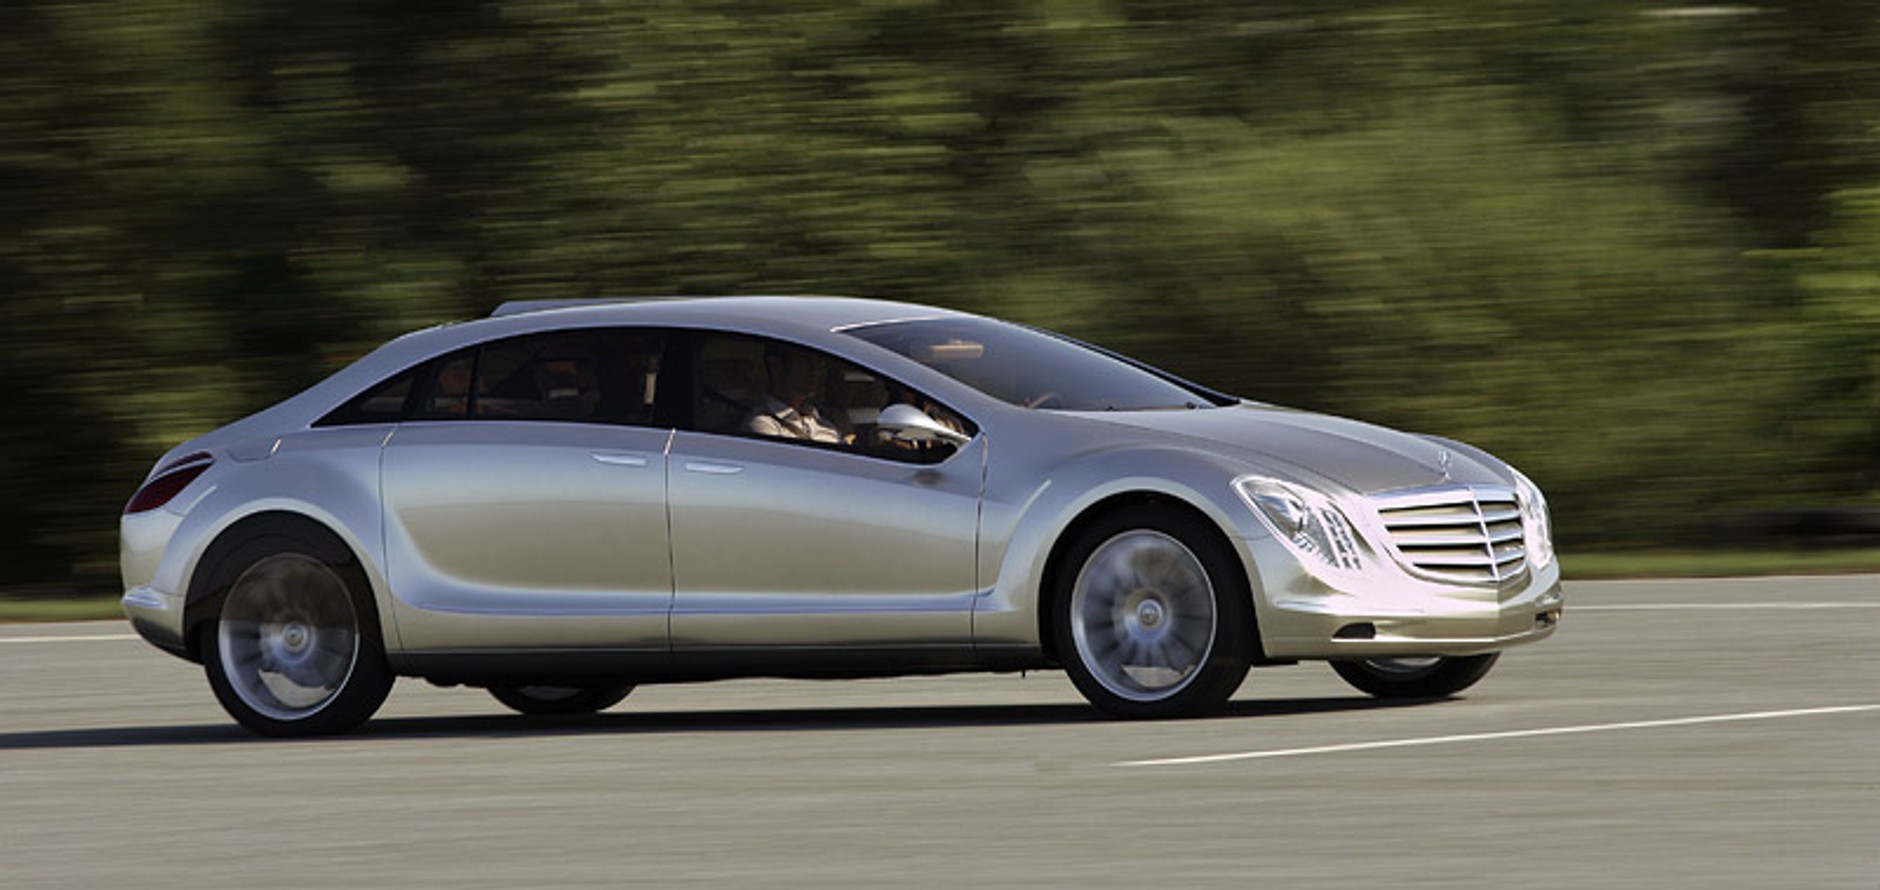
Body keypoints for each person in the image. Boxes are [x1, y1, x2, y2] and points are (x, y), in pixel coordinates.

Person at [744, 345, 842, 443]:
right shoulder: (761, 424)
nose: (815, 370)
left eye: (818, 363)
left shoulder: (822, 421)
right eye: (806, 360)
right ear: (776, 365)